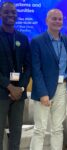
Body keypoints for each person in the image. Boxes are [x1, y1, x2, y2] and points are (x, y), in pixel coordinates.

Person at [30, 9, 67, 150]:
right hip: (44, 90)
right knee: (40, 129)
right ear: (46, 21)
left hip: (62, 87)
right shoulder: (37, 41)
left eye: (60, 19)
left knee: (58, 128)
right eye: (54, 18)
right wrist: (43, 93)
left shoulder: (66, 40)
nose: (57, 21)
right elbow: (36, 70)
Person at [0, 2, 31, 150]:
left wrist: (21, 88)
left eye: (13, 12)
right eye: (7, 12)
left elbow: (28, 66)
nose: (11, 15)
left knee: (16, 133)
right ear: (1, 14)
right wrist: (9, 86)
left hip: (19, 94)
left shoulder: (23, 38)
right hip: (1, 92)